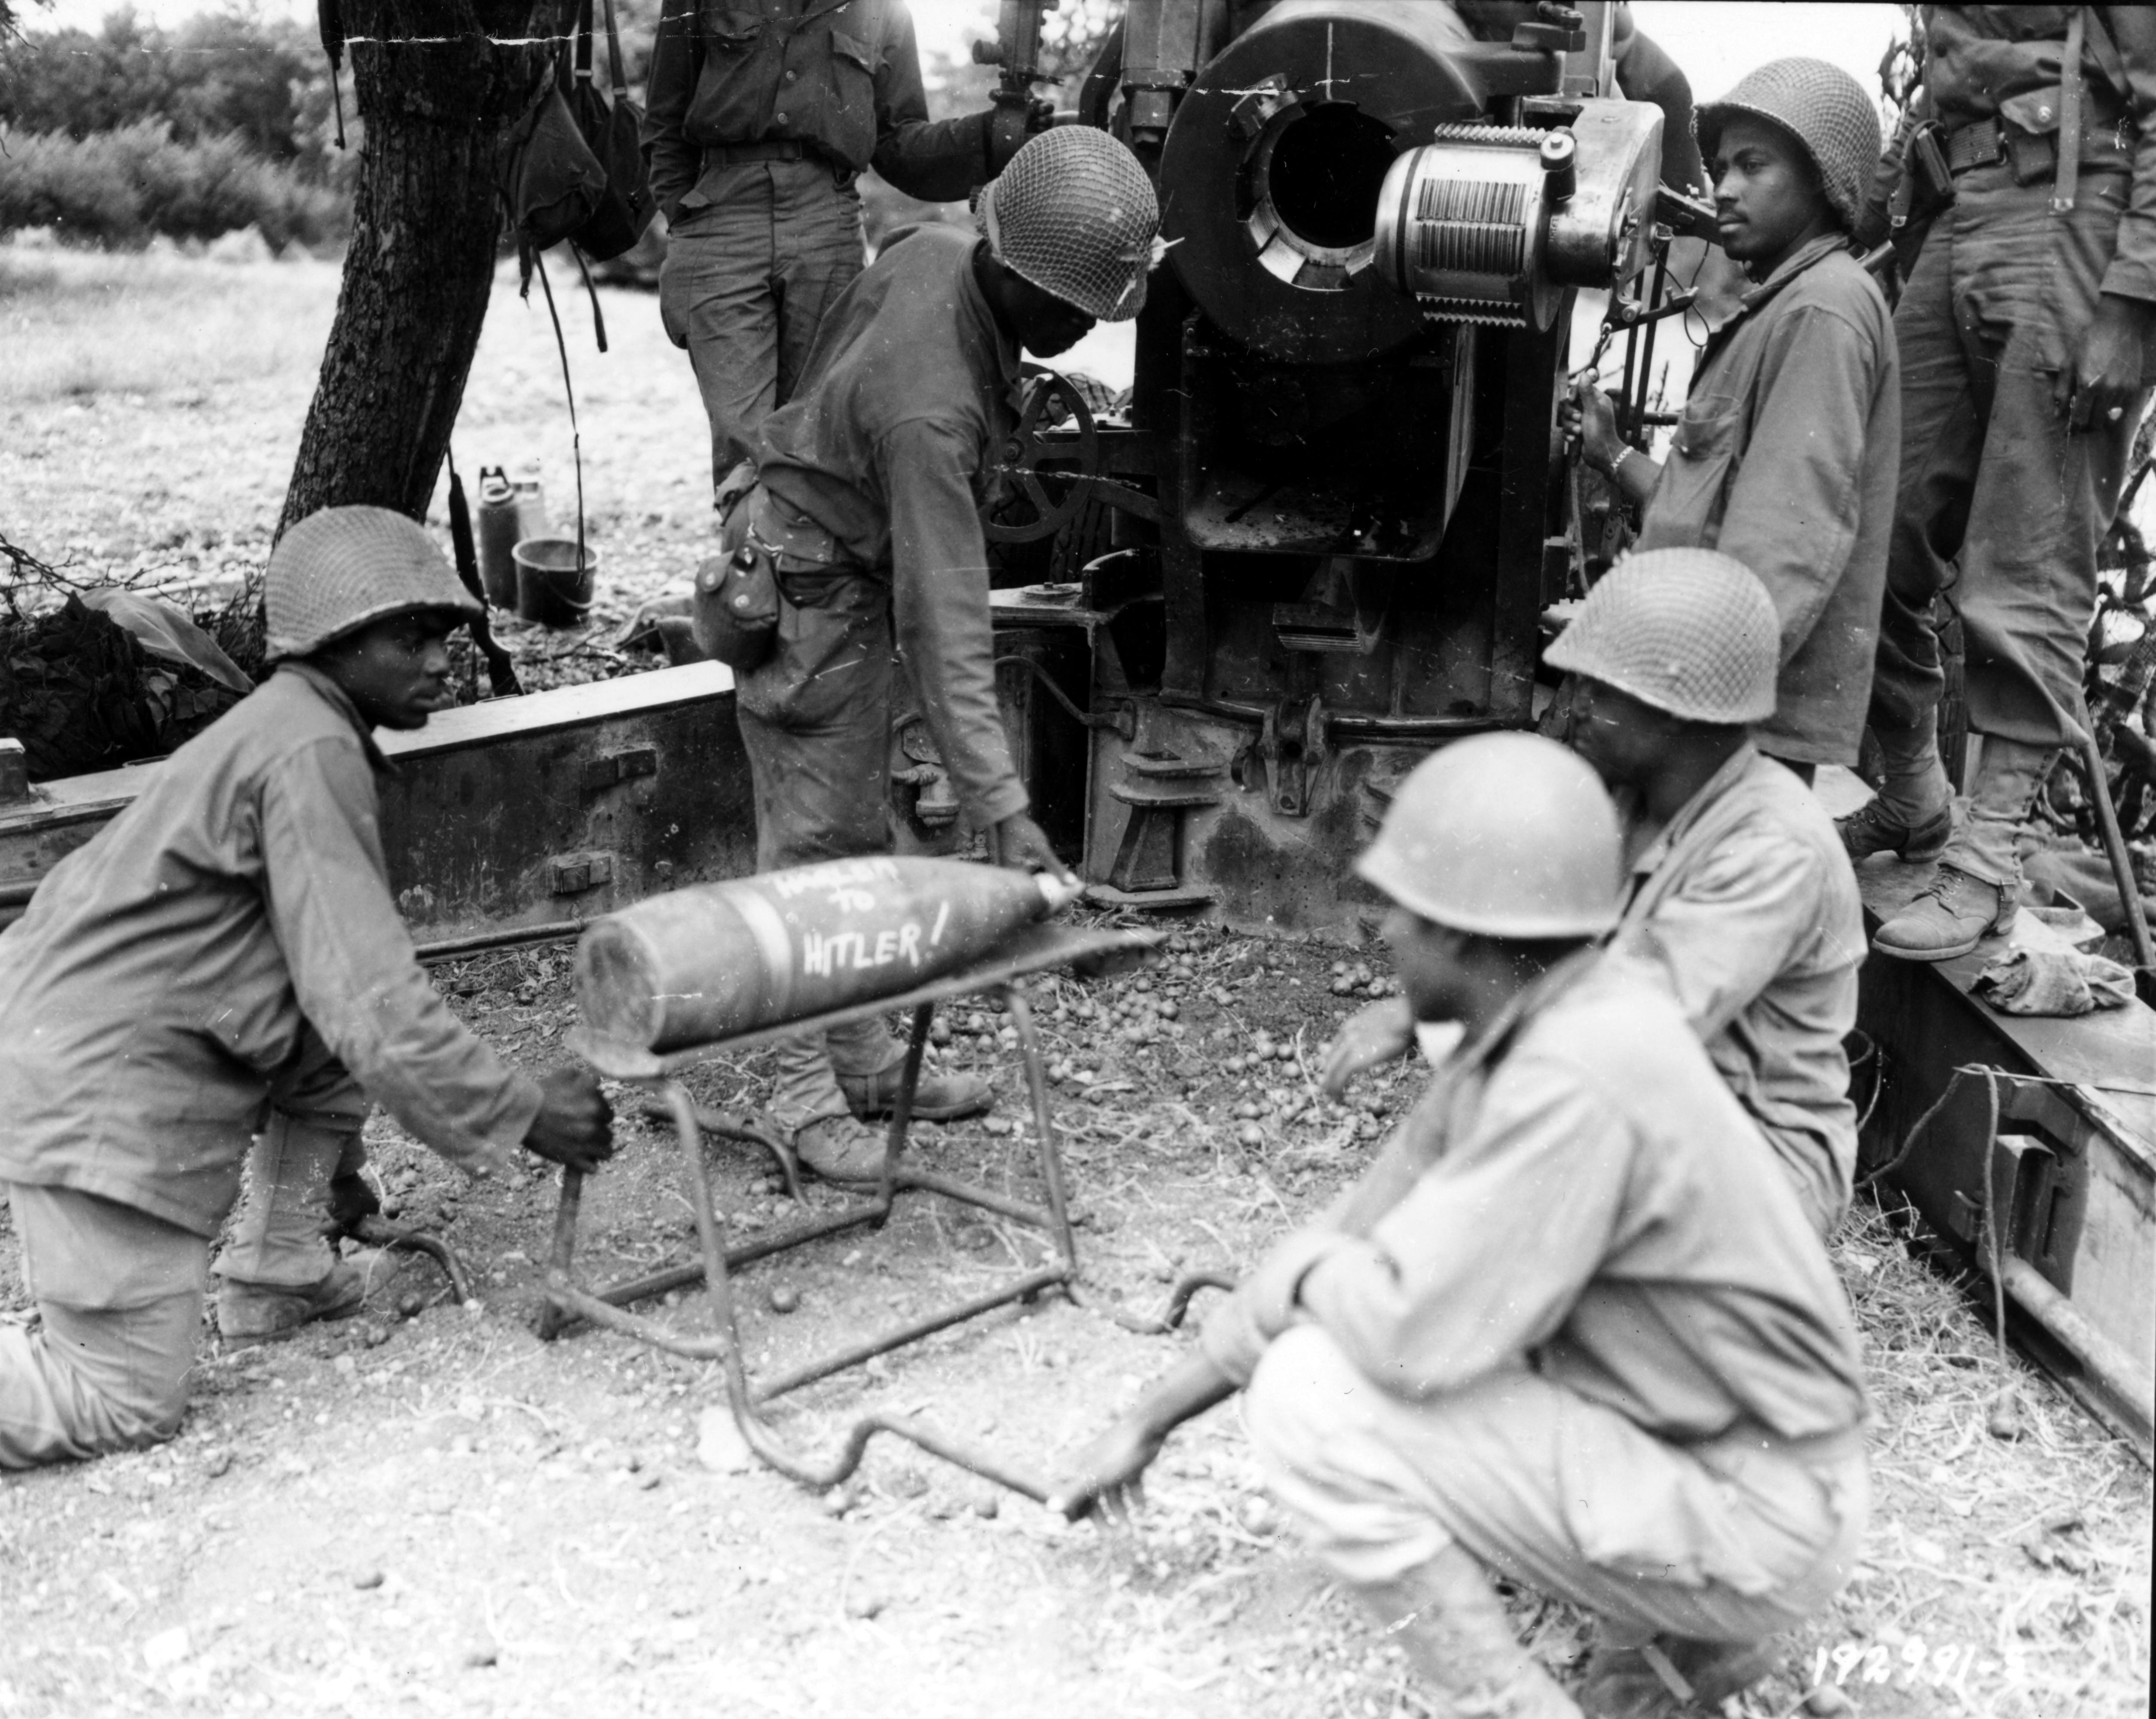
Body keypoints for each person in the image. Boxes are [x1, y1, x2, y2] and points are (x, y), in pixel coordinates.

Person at [1053, 734, 1869, 1719]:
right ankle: (1678, 1642)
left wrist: (1310, 1277)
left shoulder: (1571, 1077)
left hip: (1761, 1511)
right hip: (1737, 1462)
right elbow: (1359, 1221)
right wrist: (1149, 1416)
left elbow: (1409, 1336)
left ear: (1466, 938)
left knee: (1311, 1397)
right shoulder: (1550, 1020)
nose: (1385, 932)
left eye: (1404, 910)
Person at [0, 507, 616, 1468]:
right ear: (333, 645)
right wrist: (524, 1110)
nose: (441, 660)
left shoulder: (298, 726)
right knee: (116, 1399)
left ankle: (281, 1264)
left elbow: (335, 991)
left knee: (323, 1022)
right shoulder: (307, 750)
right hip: (95, 1087)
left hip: (83, 1036)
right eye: (409, 638)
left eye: (446, 635)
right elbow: (374, 1001)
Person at [688, 125, 1158, 1182]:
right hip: (813, 592)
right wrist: (1003, 806)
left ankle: (859, 1058)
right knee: (811, 855)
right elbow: (946, 623)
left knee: (853, 834)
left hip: (827, 559)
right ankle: (805, 1100)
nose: (1085, 330)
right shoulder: (931, 417)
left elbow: (828, 375)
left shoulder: (930, 249)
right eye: (1076, 308)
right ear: (1019, 275)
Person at [1846, 9, 2156, 961]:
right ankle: (1914, 792)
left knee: (2029, 555)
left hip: (2075, 213)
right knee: (1870, 523)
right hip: (1957, 204)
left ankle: (1986, 864)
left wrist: (2133, 297)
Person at [1563, 58, 1898, 778]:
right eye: (1720, 169)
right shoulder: (1783, 308)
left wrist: (1677, 704)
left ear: (1823, 181)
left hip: (1729, 728)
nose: (1724, 189)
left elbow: (1784, 546)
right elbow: (1716, 513)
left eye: (1753, 166)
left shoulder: (1821, 311)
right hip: (1712, 711)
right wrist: (1611, 452)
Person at [1547, 549, 1866, 1236]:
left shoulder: (1774, 847)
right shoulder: (1631, 799)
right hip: (1662, 1114)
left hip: (1763, 1161)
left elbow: (1632, 1025)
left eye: (1600, 691)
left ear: (1673, 712)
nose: (1576, 709)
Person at [643, 0, 1015, 504]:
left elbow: (900, 144)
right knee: (743, 445)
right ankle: (752, 555)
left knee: (820, 436)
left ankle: (803, 558)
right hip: (722, 215)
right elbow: (664, 116)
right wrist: (687, 216)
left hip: (827, 221)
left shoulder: (884, 11)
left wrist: (991, 135)